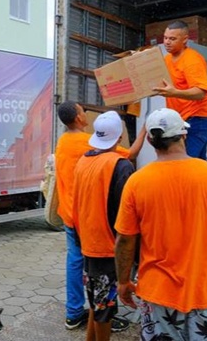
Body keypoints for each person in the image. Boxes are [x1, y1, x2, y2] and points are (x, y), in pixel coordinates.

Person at [115, 107, 207, 341]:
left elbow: (125, 239)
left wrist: (123, 281)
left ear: (150, 140)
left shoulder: (137, 182)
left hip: (157, 292)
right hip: (205, 292)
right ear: (184, 135)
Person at [55, 101, 144, 332]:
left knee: (77, 263)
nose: (85, 113)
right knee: (101, 270)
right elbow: (131, 153)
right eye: (82, 110)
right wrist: (145, 127)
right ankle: (100, 312)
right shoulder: (87, 145)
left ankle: (74, 312)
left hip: (70, 212)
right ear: (77, 117)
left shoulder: (64, 141)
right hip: (88, 216)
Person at [72, 111, 135, 341]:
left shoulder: (84, 161)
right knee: (105, 307)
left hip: (88, 240)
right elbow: (125, 215)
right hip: (109, 247)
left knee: (97, 301)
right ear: (118, 138)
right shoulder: (120, 165)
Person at [152, 21, 207, 160]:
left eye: (172, 39)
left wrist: (174, 92)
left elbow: (200, 92)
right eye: (165, 38)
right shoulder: (167, 59)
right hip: (180, 118)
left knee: (183, 160)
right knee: (195, 161)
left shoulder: (192, 60)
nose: (167, 42)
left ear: (185, 39)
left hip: (197, 117)